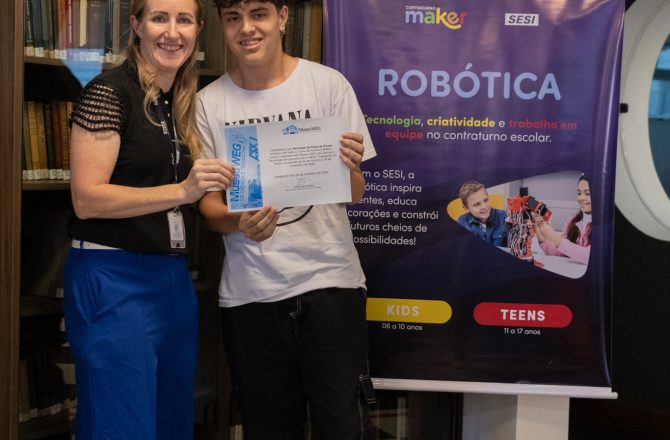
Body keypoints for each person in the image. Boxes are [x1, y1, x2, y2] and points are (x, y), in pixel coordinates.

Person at [196, 0, 377, 438]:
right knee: (268, 429)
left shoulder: (327, 85)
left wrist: (350, 167)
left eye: (258, 14)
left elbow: (355, 192)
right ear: (221, 25)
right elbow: (210, 209)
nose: (246, 28)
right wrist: (240, 223)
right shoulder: (209, 103)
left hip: (330, 285)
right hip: (251, 295)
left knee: (343, 427)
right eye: (233, 18)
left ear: (282, 17)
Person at [63, 0, 234, 438]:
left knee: (172, 423)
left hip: (172, 278)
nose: (172, 32)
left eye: (184, 20)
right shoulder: (108, 92)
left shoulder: (179, 103)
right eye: (159, 18)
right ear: (137, 25)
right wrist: (183, 192)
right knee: (122, 426)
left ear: (198, 30)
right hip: (114, 279)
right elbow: (87, 199)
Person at [535, 175, 592, 265]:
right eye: (579, 193)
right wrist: (542, 238)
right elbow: (561, 253)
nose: (580, 198)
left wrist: (557, 239)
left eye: (587, 194)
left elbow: (591, 256)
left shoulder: (605, 224)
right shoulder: (571, 221)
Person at [456, 180, 508, 246]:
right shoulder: (461, 222)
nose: (484, 207)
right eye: (477, 204)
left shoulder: (505, 218)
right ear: (466, 208)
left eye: (485, 200)